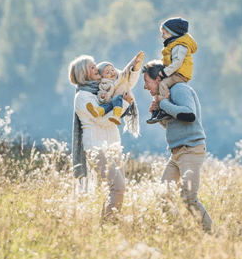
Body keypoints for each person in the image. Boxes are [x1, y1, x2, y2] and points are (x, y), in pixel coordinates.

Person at [69, 52, 143, 222]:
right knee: (118, 187)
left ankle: (112, 224)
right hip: (97, 148)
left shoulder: (101, 90)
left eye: (94, 65)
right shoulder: (83, 97)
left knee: (120, 188)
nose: (96, 68)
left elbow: (125, 82)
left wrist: (134, 69)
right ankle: (106, 226)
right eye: (91, 67)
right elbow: (103, 120)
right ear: (82, 73)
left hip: (113, 146)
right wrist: (124, 103)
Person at [142, 60, 213, 233]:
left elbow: (189, 116)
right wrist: (159, 115)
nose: (145, 87)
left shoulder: (179, 89)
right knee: (162, 196)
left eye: (146, 81)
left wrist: (163, 104)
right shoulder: (167, 96)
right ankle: (180, 233)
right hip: (176, 154)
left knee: (188, 197)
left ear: (159, 78)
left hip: (190, 150)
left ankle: (211, 236)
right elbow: (175, 126)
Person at [147, 17, 198, 124]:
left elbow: (177, 63)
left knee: (163, 84)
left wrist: (165, 72)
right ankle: (159, 109)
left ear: (174, 34)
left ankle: (165, 107)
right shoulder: (173, 45)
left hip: (180, 74)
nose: (162, 36)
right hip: (175, 72)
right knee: (162, 86)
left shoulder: (179, 46)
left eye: (165, 33)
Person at [86, 52, 144, 130]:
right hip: (110, 104)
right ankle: (97, 111)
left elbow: (127, 70)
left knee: (117, 98)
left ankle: (116, 116)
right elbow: (100, 95)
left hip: (122, 102)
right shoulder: (103, 84)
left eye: (112, 70)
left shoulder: (121, 78)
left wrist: (135, 62)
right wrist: (102, 97)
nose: (111, 73)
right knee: (105, 106)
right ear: (102, 76)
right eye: (107, 73)